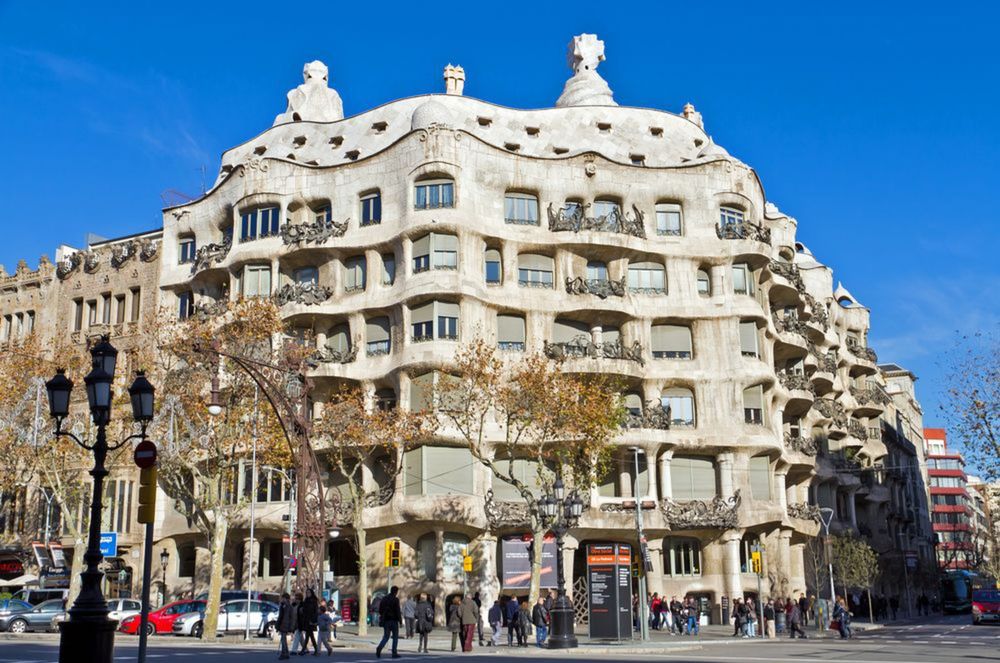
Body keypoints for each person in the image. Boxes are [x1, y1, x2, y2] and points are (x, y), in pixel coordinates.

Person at [376, 585, 402, 659]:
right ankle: (394, 653)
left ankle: (380, 647)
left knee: (386, 636)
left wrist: (383, 616)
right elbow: (398, 611)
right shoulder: (395, 599)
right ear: (396, 592)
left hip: (386, 620)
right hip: (393, 620)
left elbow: (380, 610)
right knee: (395, 637)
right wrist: (400, 621)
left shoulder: (384, 599)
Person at [277, 592, 297, 660]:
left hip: (286, 625)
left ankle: (284, 654)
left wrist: (291, 628)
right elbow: (280, 617)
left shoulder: (289, 606)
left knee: (283, 640)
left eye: (283, 598)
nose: (282, 599)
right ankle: (285, 653)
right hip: (283, 625)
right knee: (283, 640)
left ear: (286, 599)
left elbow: (292, 618)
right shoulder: (283, 606)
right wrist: (278, 625)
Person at [299, 589, 319, 655]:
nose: (307, 593)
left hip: (311, 620)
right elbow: (305, 609)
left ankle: (304, 650)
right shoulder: (306, 600)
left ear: (311, 593)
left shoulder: (314, 600)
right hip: (306, 620)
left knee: (309, 635)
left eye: (309, 592)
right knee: (310, 635)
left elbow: (315, 611)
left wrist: (313, 620)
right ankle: (316, 650)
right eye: (307, 592)